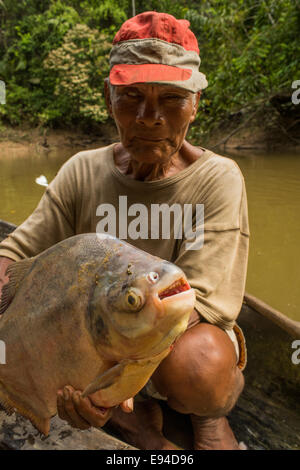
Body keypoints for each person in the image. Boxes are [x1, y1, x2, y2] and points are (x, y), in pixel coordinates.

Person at [0, 12, 249, 450]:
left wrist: (116, 380)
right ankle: (130, 421)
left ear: (195, 104)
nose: (149, 116)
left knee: (201, 365)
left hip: (172, 335)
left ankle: (205, 419)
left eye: (171, 99)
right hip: (92, 334)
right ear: (107, 97)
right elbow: (16, 253)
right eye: (131, 96)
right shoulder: (83, 170)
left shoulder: (218, 178)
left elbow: (201, 303)